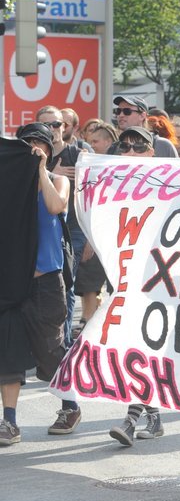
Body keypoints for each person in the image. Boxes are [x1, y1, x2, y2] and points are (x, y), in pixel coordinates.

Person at [0, 123, 83, 446]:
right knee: (8, 352)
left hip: (46, 280)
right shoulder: (8, 184)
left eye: (40, 144)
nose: (33, 148)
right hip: (11, 282)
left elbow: (55, 206)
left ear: (49, 150)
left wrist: (39, 170)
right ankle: (9, 421)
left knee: (50, 348)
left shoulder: (58, 180)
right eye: (27, 143)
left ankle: (70, 405)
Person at [106, 127, 166, 445]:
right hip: (123, 275)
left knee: (142, 346)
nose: (130, 151)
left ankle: (131, 419)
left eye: (139, 146)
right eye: (125, 146)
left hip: (157, 277)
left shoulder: (170, 181)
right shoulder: (112, 181)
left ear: (151, 152)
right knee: (132, 347)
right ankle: (153, 416)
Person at [35, 106, 87, 347]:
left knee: (66, 286)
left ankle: (63, 345)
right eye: (46, 125)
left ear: (64, 126)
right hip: (40, 231)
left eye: (56, 124)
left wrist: (90, 237)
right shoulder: (30, 155)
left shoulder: (79, 155)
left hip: (73, 228)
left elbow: (91, 196)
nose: (52, 129)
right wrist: (47, 171)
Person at [110, 96, 178, 158]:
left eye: (127, 111)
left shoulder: (163, 146)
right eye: (118, 111)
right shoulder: (114, 147)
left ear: (142, 116)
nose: (121, 115)